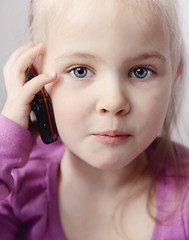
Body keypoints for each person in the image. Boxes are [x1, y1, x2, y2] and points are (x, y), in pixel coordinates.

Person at [0, 0, 189, 239]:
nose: (113, 102)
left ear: (174, 75)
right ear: (34, 79)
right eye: (80, 70)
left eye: (141, 71)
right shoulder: (15, 189)